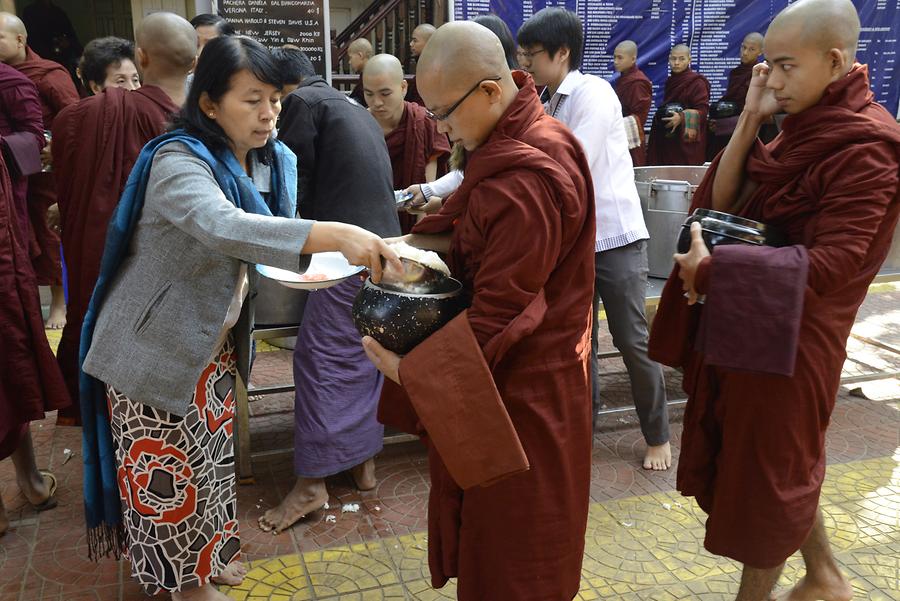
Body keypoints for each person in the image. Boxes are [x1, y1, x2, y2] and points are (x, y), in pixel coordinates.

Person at [79, 34, 401, 600]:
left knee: (208, 465)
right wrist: (338, 233)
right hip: (154, 348)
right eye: (252, 99)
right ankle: (186, 586)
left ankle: (207, 557)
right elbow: (224, 225)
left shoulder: (257, 160)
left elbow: (267, 234)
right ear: (209, 103)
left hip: (209, 344)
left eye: (274, 99)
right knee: (169, 480)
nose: (269, 112)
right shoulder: (178, 161)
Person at [648, 1, 900, 599]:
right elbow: (725, 199)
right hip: (757, 316)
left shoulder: (868, 146)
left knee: (771, 477)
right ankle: (825, 575)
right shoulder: (801, 124)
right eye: (768, 67)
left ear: (835, 61)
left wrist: (718, 271)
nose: (774, 80)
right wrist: (749, 120)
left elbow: (835, 264)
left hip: (799, 337)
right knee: (772, 463)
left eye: (785, 67)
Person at [362, 21, 595, 600]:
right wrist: (398, 249)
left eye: (444, 113)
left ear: (491, 92)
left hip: (525, 392)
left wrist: (409, 372)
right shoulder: (519, 141)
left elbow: (501, 314)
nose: (439, 128)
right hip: (507, 379)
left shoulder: (528, 177)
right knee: (493, 544)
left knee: (517, 559)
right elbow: (470, 228)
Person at [518, 8, 670, 469]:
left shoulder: (594, 93)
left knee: (630, 340)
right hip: (577, 243)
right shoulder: (549, 99)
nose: (525, 64)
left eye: (532, 55)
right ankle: (584, 432)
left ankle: (658, 435)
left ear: (562, 53)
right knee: (580, 342)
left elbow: (567, 163)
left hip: (615, 238)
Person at [258, 48, 400, 534]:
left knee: (320, 361)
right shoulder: (350, 108)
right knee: (362, 360)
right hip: (381, 256)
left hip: (348, 259)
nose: (267, 110)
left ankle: (312, 484)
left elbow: (289, 189)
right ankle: (363, 468)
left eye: (268, 98)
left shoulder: (304, 108)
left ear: (284, 87)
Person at [51, 12, 196, 426]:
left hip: (106, 261)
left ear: (142, 56)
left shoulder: (78, 119)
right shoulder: (204, 123)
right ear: (194, 63)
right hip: (173, 279)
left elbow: (76, 188)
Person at [0, 77, 67, 539]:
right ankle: (31, 483)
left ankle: (31, 480)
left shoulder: (13, 80)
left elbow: (34, 133)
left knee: (9, 362)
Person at [0, 12, 79, 330]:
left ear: (20, 40)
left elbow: (74, 115)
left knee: (49, 235)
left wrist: (56, 146)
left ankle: (59, 304)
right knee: (21, 236)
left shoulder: (48, 73)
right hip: (15, 170)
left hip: (47, 167)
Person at [364, 53, 450, 233]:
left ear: (403, 87)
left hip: (416, 221)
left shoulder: (423, 122)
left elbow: (427, 186)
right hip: (369, 222)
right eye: (369, 94)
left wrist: (418, 238)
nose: (377, 102)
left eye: (385, 93)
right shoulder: (358, 124)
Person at [646, 44, 709, 166]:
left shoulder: (697, 82)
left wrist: (681, 117)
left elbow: (703, 111)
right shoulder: (671, 81)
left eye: (681, 59)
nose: (676, 62)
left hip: (686, 141)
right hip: (670, 139)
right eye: (673, 59)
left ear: (689, 60)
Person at [706, 32, 764, 160]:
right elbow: (732, 99)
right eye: (743, 47)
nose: (745, 53)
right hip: (730, 124)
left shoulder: (762, 74)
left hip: (746, 127)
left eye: (751, 49)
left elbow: (754, 107)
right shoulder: (736, 73)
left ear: (760, 52)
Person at [612, 39, 652, 167]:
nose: (615, 62)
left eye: (620, 58)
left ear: (633, 59)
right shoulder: (624, 78)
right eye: (614, 57)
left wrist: (617, 124)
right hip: (619, 136)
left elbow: (640, 115)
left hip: (631, 139)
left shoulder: (638, 82)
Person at [20, 0, 81, 82]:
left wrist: (68, 42)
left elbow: (71, 35)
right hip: (41, 56)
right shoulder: (30, 12)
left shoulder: (58, 12)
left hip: (62, 55)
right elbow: (31, 37)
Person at [405, 23, 434, 105]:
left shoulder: (433, 70)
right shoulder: (422, 64)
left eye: (415, 40)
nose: (411, 44)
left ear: (429, 42)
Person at [346, 37, 372, 106]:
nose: (349, 62)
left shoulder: (370, 77)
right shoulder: (365, 75)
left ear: (360, 55)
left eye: (351, 57)